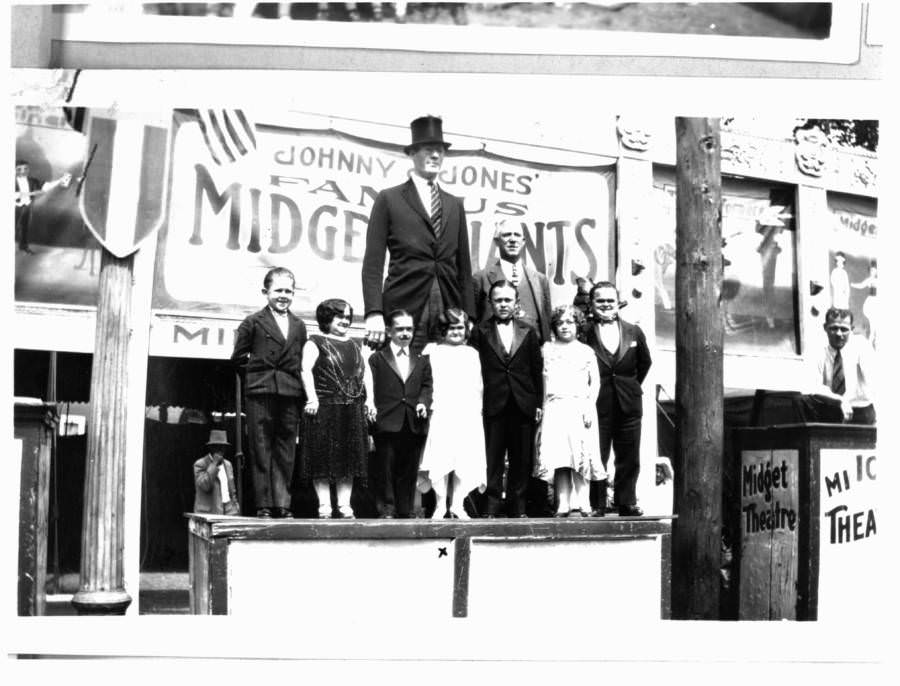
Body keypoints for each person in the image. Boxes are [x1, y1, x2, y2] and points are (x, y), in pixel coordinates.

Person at [362, 115, 475, 355]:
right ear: (413, 153)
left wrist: (469, 313)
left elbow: (464, 267)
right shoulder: (389, 199)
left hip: (449, 309)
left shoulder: (454, 205)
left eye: (440, 151)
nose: (435, 156)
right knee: (404, 380)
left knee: (446, 379)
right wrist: (374, 312)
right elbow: (373, 265)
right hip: (404, 309)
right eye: (428, 149)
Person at [231, 267, 308, 518]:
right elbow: (238, 358)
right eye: (278, 290)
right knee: (260, 448)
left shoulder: (299, 325)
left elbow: (300, 360)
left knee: (286, 450)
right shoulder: (253, 322)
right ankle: (263, 505)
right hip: (261, 391)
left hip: (290, 393)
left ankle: (283, 504)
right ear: (266, 292)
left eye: (288, 290)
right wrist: (259, 377)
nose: (283, 295)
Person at [470, 280, 543, 518]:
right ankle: (490, 507)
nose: (503, 304)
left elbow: (536, 369)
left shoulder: (528, 332)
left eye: (507, 300)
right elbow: (474, 371)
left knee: (521, 459)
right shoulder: (479, 332)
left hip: (523, 403)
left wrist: (539, 403)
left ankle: (517, 507)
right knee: (493, 457)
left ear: (516, 303)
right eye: (498, 300)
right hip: (493, 402)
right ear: (490, 303)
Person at [582, 281, 652, 517]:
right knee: (596, 453)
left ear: (618, 302)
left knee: (629, 454)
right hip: (597, 403)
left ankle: (626, 501)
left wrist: (629, 387)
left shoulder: (634, 331)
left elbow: (645, 363)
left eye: (610, 300)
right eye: (600, 300)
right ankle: (597, 503)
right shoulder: (583, 332)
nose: (605, 305)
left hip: (629, 403)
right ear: (591, 304)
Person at [299, 298, 370, 519]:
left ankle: (344, 505)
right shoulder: (315, 342)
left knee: (348, 459)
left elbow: (365, 375)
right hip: (325, 407)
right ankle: (324, 505)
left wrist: (371, 401)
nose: (345, 321)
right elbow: (305, 370)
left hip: (352, 407)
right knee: (321, 458)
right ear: (327, 317)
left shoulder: (355, 344)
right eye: (340, 316)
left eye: (348, 317)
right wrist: (312, 399)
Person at [534, 305, 605, 518]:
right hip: (555, 407)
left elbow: (596, 383)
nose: (565, 327)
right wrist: (542, 406)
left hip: (579, 407)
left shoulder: (585, 351)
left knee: (580, 456)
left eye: (569, 322)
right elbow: (541, 381)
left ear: (578, 326)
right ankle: (563, 503)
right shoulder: (546, 349)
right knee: (560, 458)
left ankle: (584, 503)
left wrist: (588, 408)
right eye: (560, 323)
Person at [367, 310, 433, 518]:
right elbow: (371, 387)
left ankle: (405, 510)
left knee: (408, 469)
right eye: (400, 329)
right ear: (389, 331)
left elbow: (427, 386)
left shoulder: (421, 359)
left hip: (413, 421)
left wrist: (423, 402)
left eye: (409, 329)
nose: (405, 333)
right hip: (386, 421)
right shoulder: (377, 358)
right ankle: (386, 509)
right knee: (385, 469)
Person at [420, 308, 486, 519]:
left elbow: (478, 385)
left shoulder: (472, 353)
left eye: (460, 328)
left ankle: (458, 504)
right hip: (442, 410)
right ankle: (440, 505)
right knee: (442, 458)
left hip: (467, 411)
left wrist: (477, 409)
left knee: (463, 460)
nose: (456, 332)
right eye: (451, 328)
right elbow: (427, 382)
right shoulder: (434, 351)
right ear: (442, 330)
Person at [472, 215, 552, 343]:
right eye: (507, 235)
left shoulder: (540, 280)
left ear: (524, 241)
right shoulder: (480, 278)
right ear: (497, 241)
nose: (513, 240)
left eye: (517, 235)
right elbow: (473, 321)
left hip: (532, 353)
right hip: (494, 353)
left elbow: (546, 321)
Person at [807, 307, 876, 425]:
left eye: (844, 329)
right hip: (831, 408)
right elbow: (813, 386)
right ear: (825, 328)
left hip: (860, 411)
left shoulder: (861, 346)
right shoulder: (817, 349)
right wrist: (840, 401)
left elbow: (875, 381)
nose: (839, 334)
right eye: (834, 328)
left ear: (852, 329)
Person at [14, 160, 71, 254]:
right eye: (19, 169)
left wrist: (60, 181)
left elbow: (47, 186)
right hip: (15, 207)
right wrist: (31, 193)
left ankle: (23, 246)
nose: (23, 171)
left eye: (25, 169)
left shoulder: (32, 181)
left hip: (27, 207)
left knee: (24, 227)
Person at [193, 429, 240, 516]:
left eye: (223, 446)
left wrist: (235, 507)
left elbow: (232, 490)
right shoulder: (200, 464)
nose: (220, 450)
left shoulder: (228, 464)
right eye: (217, 446)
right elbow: (205, 486)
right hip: (210, 512)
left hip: (229, 511)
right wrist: (214, 464)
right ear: (211, 447)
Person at [851, 259, 877, 347]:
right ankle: (871, 339)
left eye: (874, 270)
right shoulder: (870, 280)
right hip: (872, 302)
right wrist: (852, 284)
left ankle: (874, 339)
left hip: (878, 302)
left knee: (877, 322)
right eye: (871, 270)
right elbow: (861, 285)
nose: (873, 272)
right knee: (873, 322)